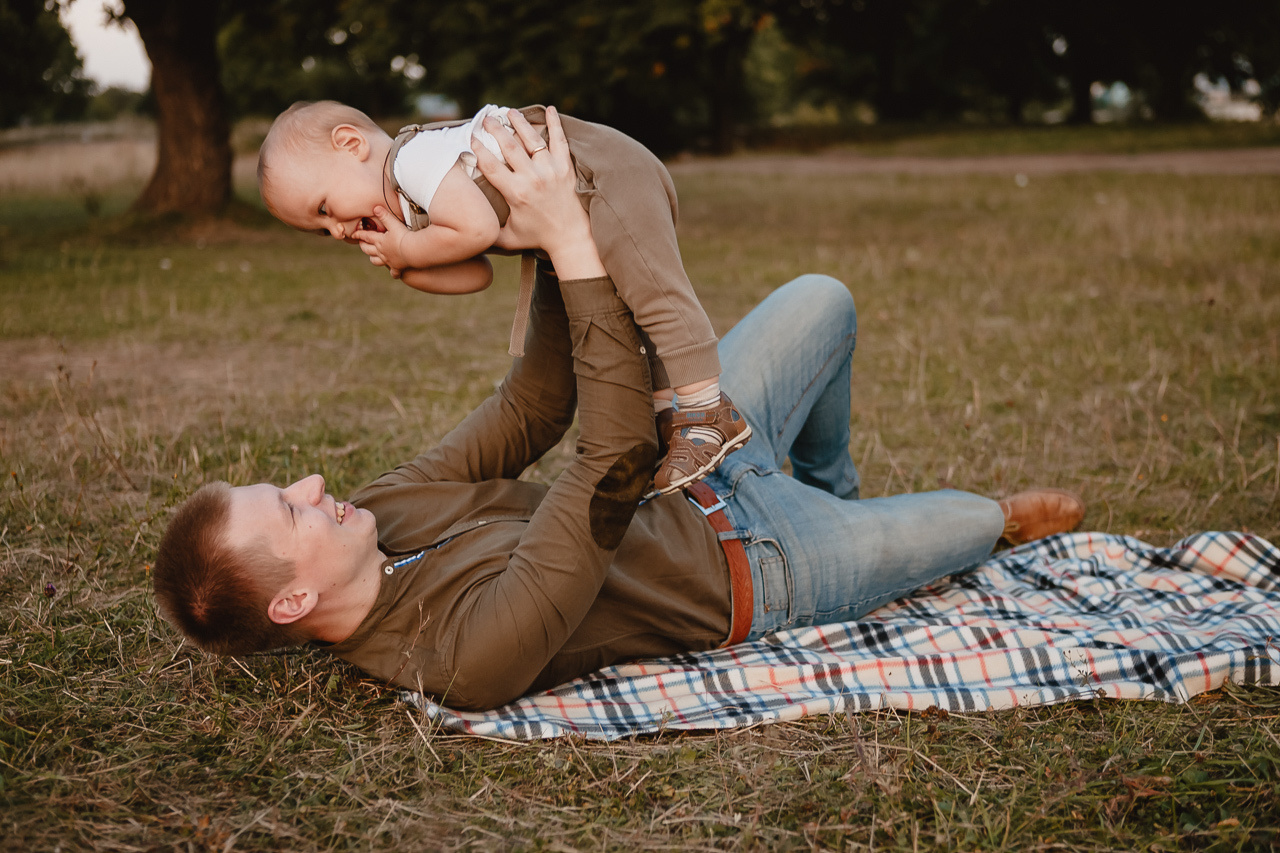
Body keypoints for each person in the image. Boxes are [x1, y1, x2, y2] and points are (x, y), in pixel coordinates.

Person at [156, 109, 1085, 712]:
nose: (314, 484)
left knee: (823, 296)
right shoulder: (459, 657)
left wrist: (558, 233)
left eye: (287, 486)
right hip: (756, 568)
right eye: (289, 508)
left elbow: (532, 405)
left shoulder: (380, 505)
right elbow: (606, 464)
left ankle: (830, 483)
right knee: (970, 521)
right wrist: (567, 238)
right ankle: (903, 520)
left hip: (704, 456)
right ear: (292, 599)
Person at [257, 101, 749, 496]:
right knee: (634, 310)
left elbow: (476, 228)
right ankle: (671, 418)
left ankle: (709, 411)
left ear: (350, 144)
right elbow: (477, 274)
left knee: (654, 293)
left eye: (324, 208)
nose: (337, 229)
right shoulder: (411, 204)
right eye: (322, 230)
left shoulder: (412, 160)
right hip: (579, 194)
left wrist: (409, 246)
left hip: (604, 172)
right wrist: (406, 266)